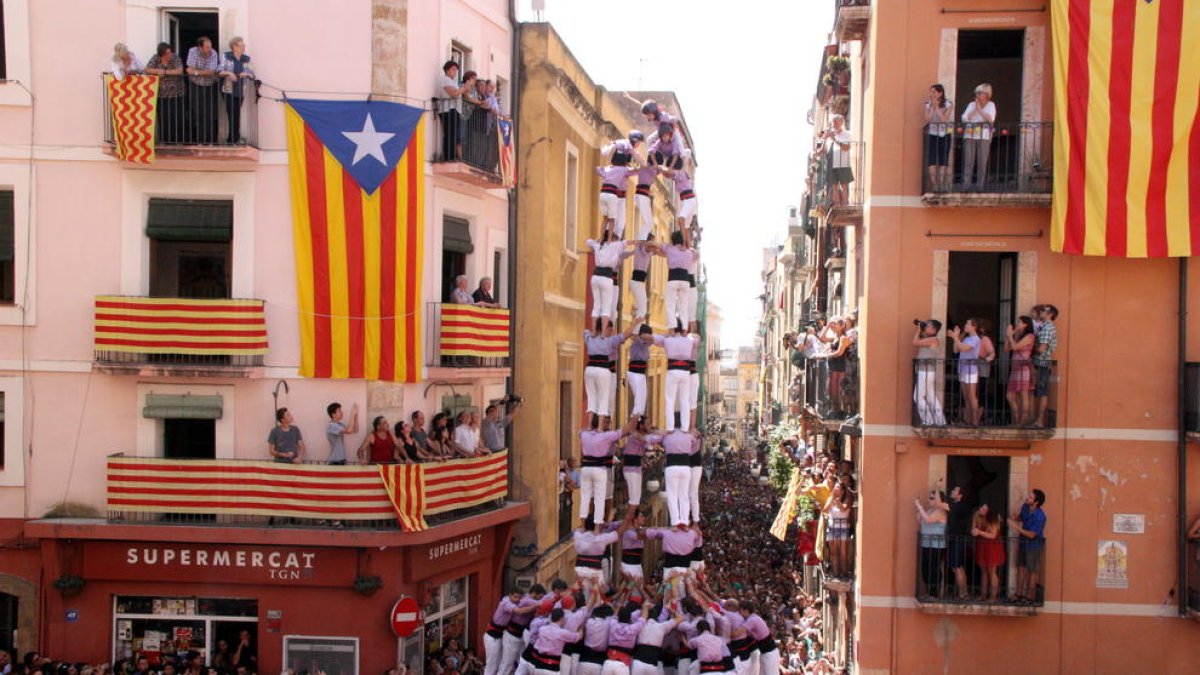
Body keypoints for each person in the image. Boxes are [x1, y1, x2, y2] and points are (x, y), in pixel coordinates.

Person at [578, 418, 632, 526]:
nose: (606, 424)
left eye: (608, 422)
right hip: (601, 468)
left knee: (604, 497)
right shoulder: (607, 436)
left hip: (603, 469)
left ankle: (603, 522)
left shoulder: (588, 434)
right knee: (595, 497)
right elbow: (624, 432)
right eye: (604, 422)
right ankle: (593, 523)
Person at [652, 322, 699, 431]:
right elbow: (697, 340)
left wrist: (667, 335)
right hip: (685, 372)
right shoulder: (690, 341)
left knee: (670, 400)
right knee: (685, 400)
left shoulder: (668, 340)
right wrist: (686, 334)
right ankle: (685, 428)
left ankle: (670, 428)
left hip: (672, 371)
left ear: (673, 328)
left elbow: (655, 339)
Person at [1007, 489, 1046, 604]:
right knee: (1021, 568)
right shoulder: (1025, 506)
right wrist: (1015, 518)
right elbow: (1021, 517)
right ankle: (1018, 594)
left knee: (1032, 571)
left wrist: (1015, 527)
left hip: (1034, 545)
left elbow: (1031, 534)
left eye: (1030, 497)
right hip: (1023, 543)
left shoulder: (1040, 516)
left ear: (1036, 502)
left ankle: (1030, 596)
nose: (1027, 498)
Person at [586, 235, 634, 327]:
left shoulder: (619, 252)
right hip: (604, 277)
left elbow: (631, 252)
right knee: (599, 306)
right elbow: (590, 243)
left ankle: (609, 328)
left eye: (616, 241)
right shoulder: (602, 249)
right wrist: (600, 239)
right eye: (613, 241)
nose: (614, 244)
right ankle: (598, 327)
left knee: (612, 309)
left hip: (613, 281)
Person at [620, 417, 660, 518]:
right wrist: (664, 435)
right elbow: (650, 439)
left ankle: (633, 518)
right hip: (631, 469)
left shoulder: (642, 435)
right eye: (647, 424)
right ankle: (629, 520)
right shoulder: (636, 435)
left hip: (636, 468)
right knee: (634, 498)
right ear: (641, 425)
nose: (649, 426)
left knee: (636, 498)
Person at [144, 43, 184, 144]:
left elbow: (179, 70)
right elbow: (147, 69)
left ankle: (176, 140)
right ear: (161, 54)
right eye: (167, 53)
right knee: (163, 117)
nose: (169, 55)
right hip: (161, 93)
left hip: (176, 93)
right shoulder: (156, 58)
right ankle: (165, 140)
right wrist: (158, 71)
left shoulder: (175, 57)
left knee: (175, 117)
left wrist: (165, 72)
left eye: (170, 52)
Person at [217, 37, 254, 145]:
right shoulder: (227, 56)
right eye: (241, 45)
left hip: (241, 90)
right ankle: (232, 139)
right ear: (234, 46)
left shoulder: (246, 58)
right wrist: (229, 73)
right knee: (231, 113)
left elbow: (250, 73)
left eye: (244, 45)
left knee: (236, 113)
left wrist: (243, 75)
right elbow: (219, 71)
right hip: (228, 89)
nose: (243, 47)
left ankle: (234, 138)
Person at [436, 61, 475, 161]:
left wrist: (467, 88)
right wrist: (464, 87)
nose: (455, 72)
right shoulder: (444, 79)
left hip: (454, 110)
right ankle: (449, 157)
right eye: (453, 69)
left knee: (453, 135)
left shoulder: (452, 81)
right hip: (447, 109)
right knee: (449, 134)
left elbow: (462, 94)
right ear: (447, 70)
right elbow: (454, 93)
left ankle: (452, 156)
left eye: (456, 70)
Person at [185, 37, 221, 144]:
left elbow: (212, 71)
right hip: (195, 85)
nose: (209, 49)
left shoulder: (213, 53)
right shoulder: (192, 51)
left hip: (210, 85)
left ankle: (210, 140)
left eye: (210, 46)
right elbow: (188, 69)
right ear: (200, 47)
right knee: (197, 112)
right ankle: (199, 140)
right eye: (206, 47)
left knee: (209, 113)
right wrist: (201, 71)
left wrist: (196, 72)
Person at [960, 83, 996, 191]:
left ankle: (979, 186)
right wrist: (975, 108)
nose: (977, 95)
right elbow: (964, 118)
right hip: (970, 135)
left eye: (979, 93)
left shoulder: (991, 105)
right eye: (976, 93)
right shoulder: (971, 104)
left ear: (986, 94)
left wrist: (980, 110)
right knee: (968, 161)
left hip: (984, 136)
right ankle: (966, 185)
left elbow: (990, 119)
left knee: (982, 161)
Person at [915, 489, 948, 599]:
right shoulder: (929, 510)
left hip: (937, 545)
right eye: (929, 497)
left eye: (932, 498)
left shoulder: (940, 512)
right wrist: (919, 509)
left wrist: (919, 506)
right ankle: (928, 592)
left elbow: (928, 520)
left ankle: (934, 593)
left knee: (934, 568)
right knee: (925, 568)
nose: (929, 500)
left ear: (939, 500)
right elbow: (919, 520)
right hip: (926, 544)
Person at [947, 319, 982, 426]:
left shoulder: (976, 339)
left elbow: (963, 348)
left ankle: (975, 420)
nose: (965, 325)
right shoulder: (966, 338)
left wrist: (955, 337)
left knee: (972, 395)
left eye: (967, 324)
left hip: (971, 370)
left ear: (974, 326)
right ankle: (967, 419)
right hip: (962, 369)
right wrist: (956, 338)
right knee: (966, 396)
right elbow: (956, 350)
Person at [595, 158, 639, 240]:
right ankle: (608, 240)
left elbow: (598, 169)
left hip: (611, 194)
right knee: (616, 223)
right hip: (615, 196)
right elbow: (637, 170)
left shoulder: (611, 169)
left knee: (613, 222)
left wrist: (609, 168)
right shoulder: (624, 170)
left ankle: (606, 239)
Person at [912, 319, 946, 426]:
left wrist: (918, 330)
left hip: (925, 371)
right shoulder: (929, 339)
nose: (925, 327)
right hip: (926, 371)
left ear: (934, 329)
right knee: (931, 397)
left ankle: (928, 421)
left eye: (928, 326)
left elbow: (915, 342)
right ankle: (940, 421)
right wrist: (920, 327)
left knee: (918, 397)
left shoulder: (933, 340)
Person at [1005, 316, 1036, 427]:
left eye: (1019, 322)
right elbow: (1006, 348)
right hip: (1015, 369)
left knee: (1023, 395)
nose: (1017, 323)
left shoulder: (1029, 336)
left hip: (1023, 368)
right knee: (1010, 395)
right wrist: (1009, 336)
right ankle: (1016, 418)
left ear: (1025, 324)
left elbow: (1015, 347)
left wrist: (1010, 336)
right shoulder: (1018, 335)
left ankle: (1023, 420)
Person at [923, 84, 954, 191]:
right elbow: (927, 119)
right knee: (932, 159)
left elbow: (944, 120)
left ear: (940, 93)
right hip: (932, 134)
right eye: (931, 92)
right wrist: (932, 107)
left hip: (944, 134)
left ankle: (940, 183)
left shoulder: (948, 104)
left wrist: (937, 107)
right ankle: (934, 184)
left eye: (934, 92)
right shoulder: (927, 104)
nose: (932, 94)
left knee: (943, 159)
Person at [971, 504, 1004, 602]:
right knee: (984, 572)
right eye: (981, 507)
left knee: (992, 572)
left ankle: (993, 596)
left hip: (992, 547)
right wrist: (975, 531)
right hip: (982, 546)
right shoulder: (977, 515)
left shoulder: (994, 520)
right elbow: (973, 530)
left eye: (984, 509)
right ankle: (983, 595)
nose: (981, 509)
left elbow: (993, 535)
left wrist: (980, 532)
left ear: (989, 512)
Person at [1032, 304, 1058, 428]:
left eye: (1044, 310)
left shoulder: (1047, 328)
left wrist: (1031, 348)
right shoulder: (1044, 327)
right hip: (1042, 364)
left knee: (1042, 392)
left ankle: (1040, 421)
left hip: (1042, 363)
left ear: (1050, 314)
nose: (1041, 312)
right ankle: (1038, 420)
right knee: (1040, 392)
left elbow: (1042, 349)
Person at [945, 486, 972, 601]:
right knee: (958, 567)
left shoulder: (958, 506)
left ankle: (962, 594)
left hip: (957, 539)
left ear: (960, 495)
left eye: (954, 490)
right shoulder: (960, 506)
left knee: (956, 567)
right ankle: (964, 592)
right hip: (956, 539)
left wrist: (936, 487)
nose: (952, 491)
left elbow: (939, 504)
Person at [823, 115, 853, 206]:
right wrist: (824, 139)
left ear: (842, 123)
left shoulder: (847, 134)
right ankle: (837, 205)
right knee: (834, 186)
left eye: (836, 122)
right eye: (833, 123)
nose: (834, 125)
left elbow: (846, 147)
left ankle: (844, 205)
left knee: (844, 186)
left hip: (843, 164)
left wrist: (834, 139)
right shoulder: (831, 137)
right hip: (832, 165)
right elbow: (824, 151)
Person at [626, 326, 653, 416]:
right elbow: (632, 336)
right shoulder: (639, 342)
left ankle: (637, 422)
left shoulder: (644, 344)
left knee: (642, 400)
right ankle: (633, 424)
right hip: (635, 372)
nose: (650, 337)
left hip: (640, 374)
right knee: (639, 400)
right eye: (648, 335)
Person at [629, 240, 654, 322]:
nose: (653, 244)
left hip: (638, 282)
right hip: (637, 281)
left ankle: (636, 330)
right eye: (652, 241)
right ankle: (636, 331)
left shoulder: (641, 249)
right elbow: (654, 249)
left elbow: (657, 252)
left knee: (641, 308)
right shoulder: (645, 249)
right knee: (642, 309)